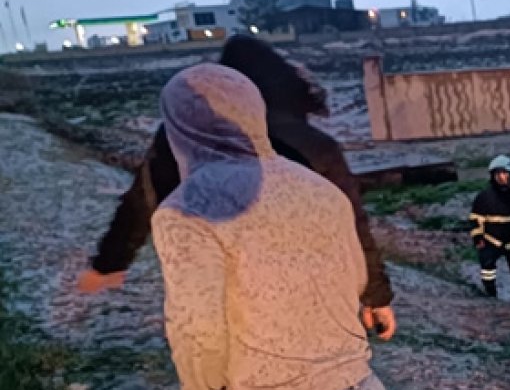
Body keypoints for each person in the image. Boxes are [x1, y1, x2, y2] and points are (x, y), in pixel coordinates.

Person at [151, 63, 397, 390]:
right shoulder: (316, 187)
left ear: (182, 131)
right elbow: (355, 279)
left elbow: (197, 324)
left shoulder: (188, 209)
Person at [77, 34, 396, 340]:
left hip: (217, 287)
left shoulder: (186, 135)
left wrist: (110, 263)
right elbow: (352, 225)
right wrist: (375, 297)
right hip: (303, 288)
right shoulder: (316, 145)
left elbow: (141, 201)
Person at [468, 155, 510, 300]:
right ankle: (490, 297)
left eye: (505, 173)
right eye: (499, 173)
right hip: (491, 240)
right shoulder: (484, 196)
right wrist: (478, 238)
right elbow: (475, 219)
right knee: (487, 269)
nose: (502, 177)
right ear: (493, 175)